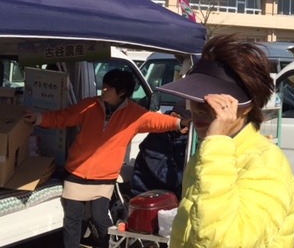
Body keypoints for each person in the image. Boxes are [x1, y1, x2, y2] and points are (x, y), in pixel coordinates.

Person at [156, 34, 294, 248]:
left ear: (247, 107)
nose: (198, 108)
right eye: (194, 98)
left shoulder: (266, 163)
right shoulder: (209, 154)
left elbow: (224, 241)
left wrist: (216, 143)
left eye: (215, 102)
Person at [23, 69, 189, 248]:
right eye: (104, 85)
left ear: (122, 92)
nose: (103, 90)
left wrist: (178, 123)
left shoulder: (133, 113)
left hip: (104, 177)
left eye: (108, 87)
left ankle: (111, 246)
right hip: (76, 171)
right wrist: (38, 118)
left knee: (100, 218)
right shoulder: (89, 105)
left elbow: (154, 120)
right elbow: (64, 117)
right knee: (73, 217)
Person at [130, 103, 190, 198]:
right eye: (185, 124)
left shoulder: (185, 135)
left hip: (173, 191)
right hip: (149, 193)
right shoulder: (156, 138)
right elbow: (165, 174)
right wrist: (189, 179)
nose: (188, 129)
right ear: (174, 116)